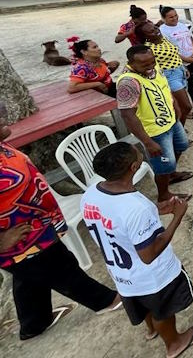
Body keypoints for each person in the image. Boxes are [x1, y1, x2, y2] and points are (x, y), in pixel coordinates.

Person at [0, 102, 122, 341]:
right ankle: (106, 301)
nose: (5, 112)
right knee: (62, 268)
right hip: (23, 240)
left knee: (28, 278)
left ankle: (34, 324)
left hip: (33, 229)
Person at [83, 142, 193, 356]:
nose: (141, 153)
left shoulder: (91, 194)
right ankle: (174, 343)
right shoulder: (135, 209)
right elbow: (149, 255)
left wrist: (155, 209)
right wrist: (177, 217)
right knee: (162, 311)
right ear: (133, 168)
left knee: (142, 305)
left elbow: (116, 221)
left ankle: (151, 331)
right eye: (138, 155)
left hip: (122, 274)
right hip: (151, 277)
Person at [117, 45, 193, 202]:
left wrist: (175, 104)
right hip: (154, 131)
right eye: (145, 65)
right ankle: (164, 195)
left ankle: (171, 174)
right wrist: (148, 142)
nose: (150, 66)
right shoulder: (128, 82)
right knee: (162, 164)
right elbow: (127, 115)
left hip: (170, 119)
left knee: (181, 146)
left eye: (152, 61)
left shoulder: (153, 66)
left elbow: (163, 85)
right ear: (131, 63)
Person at [136, 21, 193, 124]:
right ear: (145, 36)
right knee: (186, 106)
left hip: (180, 72)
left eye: (155, 28)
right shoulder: (148, 49)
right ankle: (179, 131)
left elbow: (175, 54)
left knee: (179, 107)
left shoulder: (163, 39)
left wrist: (183, 67)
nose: (156, 31)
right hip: (169, 77)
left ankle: (179, 130)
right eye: (151, 31)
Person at [159, 6, 193, 111]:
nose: (175, 18)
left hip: (192, 58)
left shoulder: (182, 26)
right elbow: (168, 50)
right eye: (171, 17)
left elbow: (192, 39)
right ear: (163, 18)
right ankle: (184, 109)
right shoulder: (162, 31)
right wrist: (186, 59)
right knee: (180, 86)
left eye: (176, 15)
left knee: (191, 81)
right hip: (178, 62)